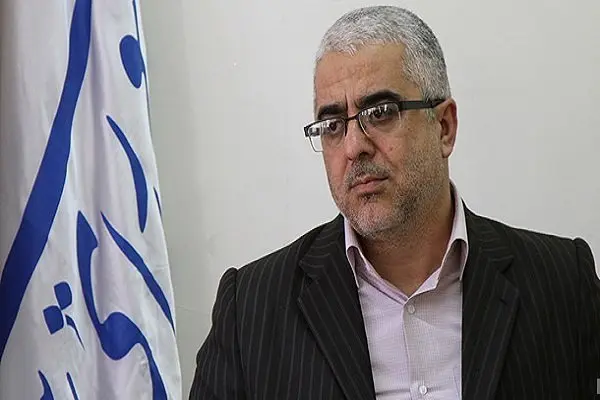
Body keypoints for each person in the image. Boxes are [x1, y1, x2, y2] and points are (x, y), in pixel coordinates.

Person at [190, 6, 600, 400]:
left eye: (381, 112)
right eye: (332, 125)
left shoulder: (564, 282)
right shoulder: (251, 309)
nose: (354, 146)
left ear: (444, 127)